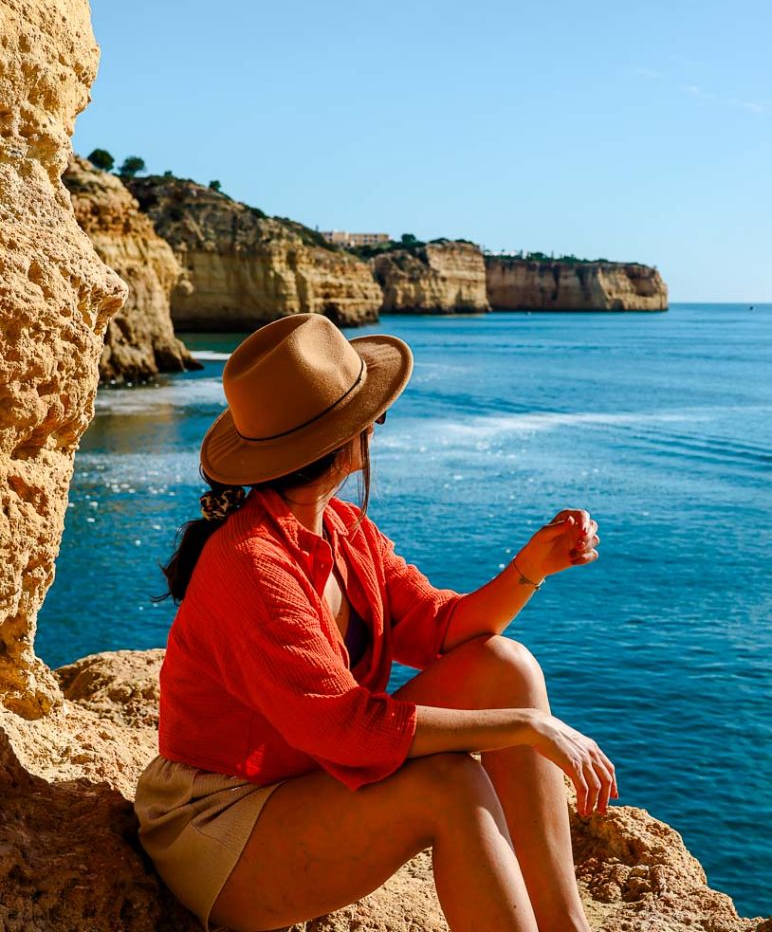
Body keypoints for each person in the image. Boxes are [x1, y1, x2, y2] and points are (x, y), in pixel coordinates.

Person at [133, 311, 613, 932]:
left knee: (506, 665)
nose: (379, 427)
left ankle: (566, 926)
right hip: (219, 820)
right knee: (451, 785)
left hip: (303, 780)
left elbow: (442, 626)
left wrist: (530, 567)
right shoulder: (250, 563)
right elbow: (346, 730)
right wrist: (527, 729)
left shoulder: (343, 530)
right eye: (374, 415)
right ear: (342, 439)